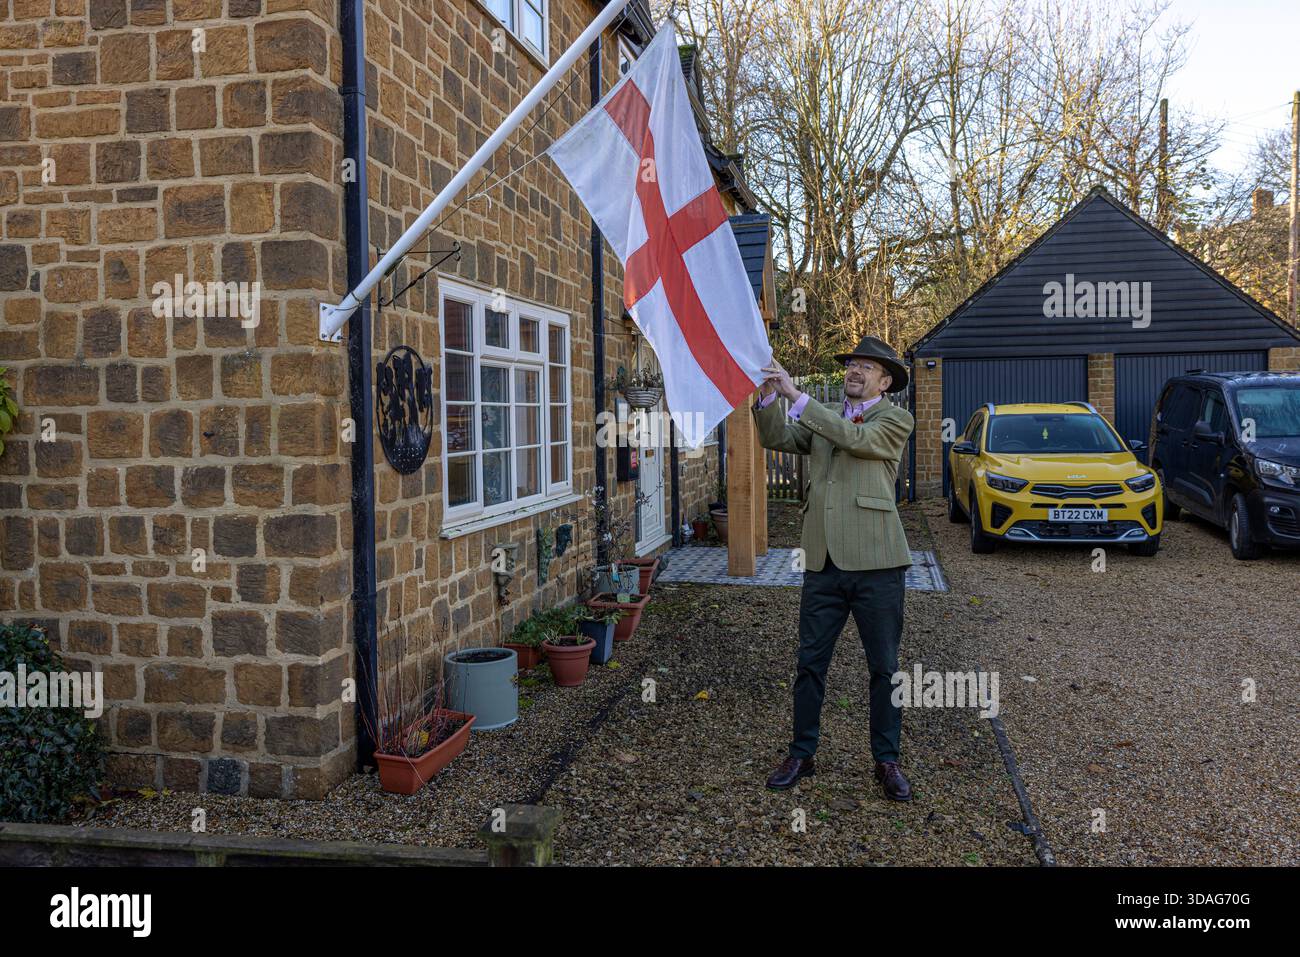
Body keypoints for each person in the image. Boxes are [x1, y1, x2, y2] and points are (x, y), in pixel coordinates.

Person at [753, 335, 915, 800]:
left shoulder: (895, 420)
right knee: (810, 664)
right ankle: (801, 754)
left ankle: (887, 760)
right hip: (822, 561)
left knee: (884, 668)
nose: (855, 372)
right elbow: (778, 436)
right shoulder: (823, 417)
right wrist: (768, 395)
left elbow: (857, 439)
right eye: (852, 365)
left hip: (878, 564)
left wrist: (796, 396)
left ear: (885, 381)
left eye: (867, 367)